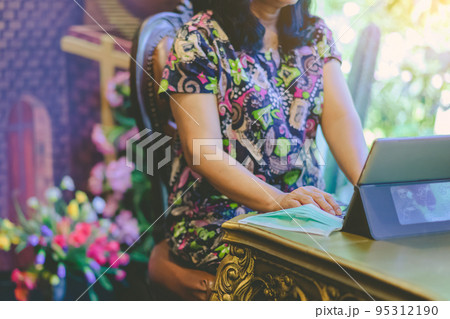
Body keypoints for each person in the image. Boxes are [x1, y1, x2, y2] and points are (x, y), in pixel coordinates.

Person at [152, 0, 368, 298]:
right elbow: (202, 151)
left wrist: (372, 188)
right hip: (221, 219)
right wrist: (279, 202)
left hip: (308, 217)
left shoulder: (315, 34)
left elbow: (342, 118)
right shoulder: (197, 39)